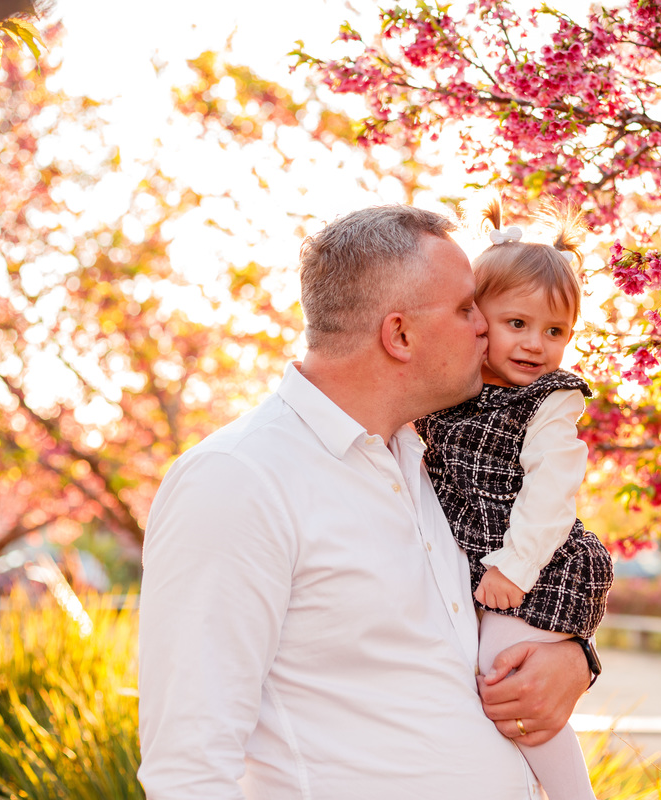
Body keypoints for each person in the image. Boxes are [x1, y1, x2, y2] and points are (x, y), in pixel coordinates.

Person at [137, 205, 595, 800]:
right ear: (399, 335)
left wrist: (572, 657)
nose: (485, 326)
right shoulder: (238, 479)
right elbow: (189, 767)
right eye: (466, 309)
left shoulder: (429, 461)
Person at [415, 203, 614, 800]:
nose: (535, 345)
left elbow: (552, 492)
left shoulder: (549, 400)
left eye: (555, 332)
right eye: (517, 323)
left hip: (533, 564)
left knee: (506, 675)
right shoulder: (452, 392)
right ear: (478, 320)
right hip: (490, 567)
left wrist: (514, 567)